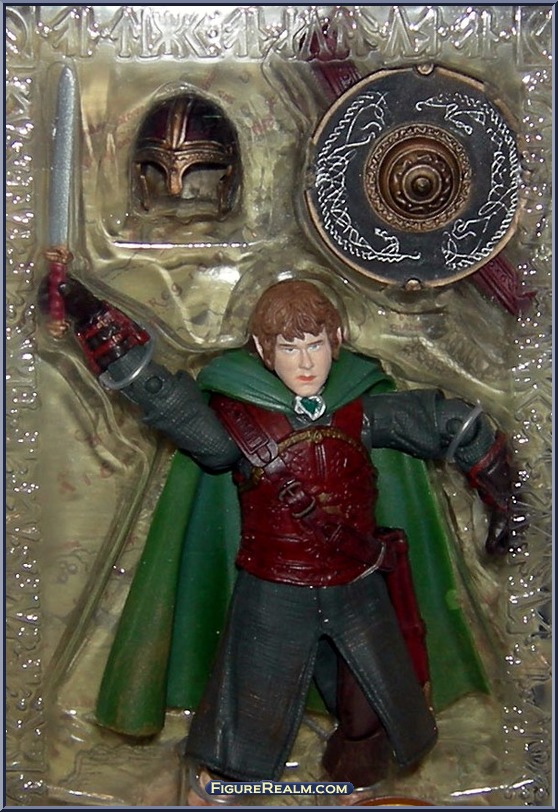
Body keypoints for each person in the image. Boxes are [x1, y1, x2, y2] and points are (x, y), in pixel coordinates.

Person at [43, 275, 513, 801]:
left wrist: (502, 495)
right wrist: (94, 320)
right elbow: (168, 402)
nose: (305, 362)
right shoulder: (240, 420)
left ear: (337, 341)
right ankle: (229, 779)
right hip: (274, 585)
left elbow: (446, 422)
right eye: (290, 348)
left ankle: (359, 774)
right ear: (265, 351)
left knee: (373, 701)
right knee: (252, 700)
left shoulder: (358, 410)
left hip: (355, 579)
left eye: (315, 344)